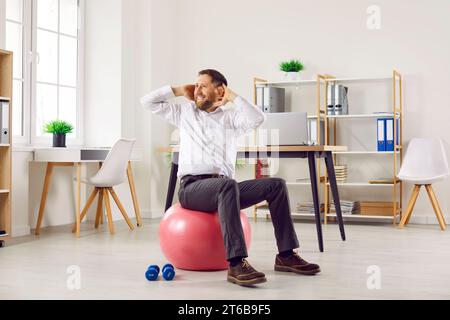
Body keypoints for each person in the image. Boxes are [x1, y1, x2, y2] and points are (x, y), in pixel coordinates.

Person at [141, 69, 321, 286]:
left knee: (277, 185)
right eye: (196, 85)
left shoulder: (231, 118)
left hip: (225, 189)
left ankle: (286, 255)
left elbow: (258, 118)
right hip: (192, 188)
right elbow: (147, 102)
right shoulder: (184, 113)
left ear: (219, 91)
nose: (197, 89)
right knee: (227, 185)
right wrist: (179, 90)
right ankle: (236, 264)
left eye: (202, 85)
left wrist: (233, 97)